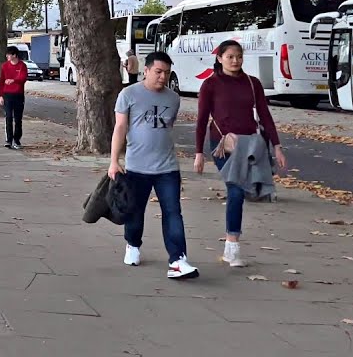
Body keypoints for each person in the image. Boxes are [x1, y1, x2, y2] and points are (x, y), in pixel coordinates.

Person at [194, 39, 288, 268]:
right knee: (235, 191)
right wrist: (199, 153)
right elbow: (202, 119)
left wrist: (277, 146)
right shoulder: (210, 84)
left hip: (251, 146)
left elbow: (265, 115)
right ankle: (232, 248)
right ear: (220, 58)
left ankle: (231, 247)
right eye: (230, 57)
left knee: (247, 192)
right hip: (223, 145)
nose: (235, 61)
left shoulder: (252, 83)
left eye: (239, 56)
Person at [109, 51, 197, 279]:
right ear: (146, 70)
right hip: (137, 167)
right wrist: (114, 161)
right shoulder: (128, 94)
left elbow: (169, 126)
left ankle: (178, 260)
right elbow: (120, 128)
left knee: (173, 212)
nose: (163, 77)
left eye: (167, 73)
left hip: (168, 167)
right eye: (158, 71)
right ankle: (132, 244)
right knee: (135, 211)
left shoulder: (173, 98)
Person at [0, 46, 27, 149]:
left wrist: (14, 80)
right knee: (9, 117)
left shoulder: (22, 65)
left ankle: (17, 140)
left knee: (18, 119)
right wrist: (1, 95)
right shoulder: (4, 66)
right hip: (7, 95)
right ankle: (9, 140)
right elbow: (1, 81)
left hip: (18, 95)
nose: (7, 56)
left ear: (14, 55)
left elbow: (23, 78)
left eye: (9, 54)